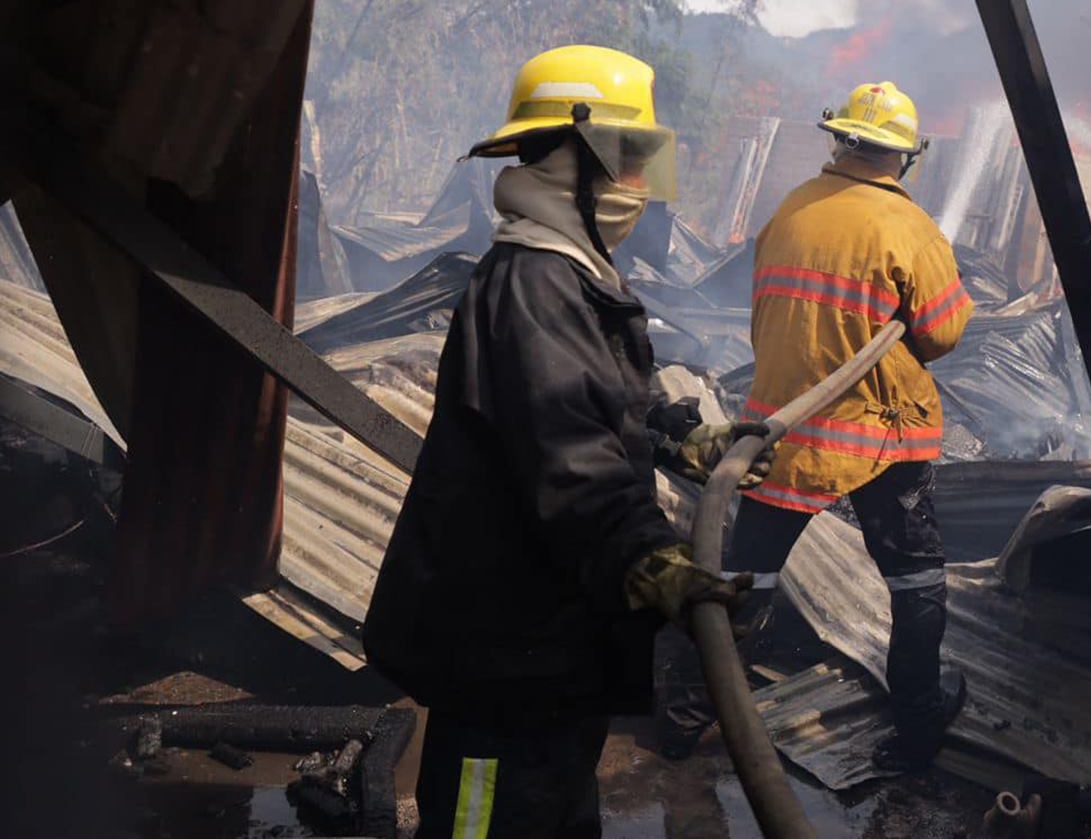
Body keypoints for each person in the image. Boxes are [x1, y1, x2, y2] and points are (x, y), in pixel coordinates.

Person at [363, 45, 760, 839]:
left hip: (546, 646)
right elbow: (569, 455)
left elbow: (608, 403)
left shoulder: (569, 273)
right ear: (568, 157)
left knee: (553, 807)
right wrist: (648, 557)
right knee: (480, 822)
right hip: (501, 656)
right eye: (627, 157)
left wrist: (684, 439)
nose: (638, 185)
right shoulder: (534, 284)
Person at [662, 80, 975, 773]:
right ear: (906, 157)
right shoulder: (909, 227)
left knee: (744, 579)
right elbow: (944, 330)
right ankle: (919, 726)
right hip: (882, 434)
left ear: (839, 141)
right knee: (916, 581)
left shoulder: (790, 209)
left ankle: (682, 718)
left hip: (782, 432)